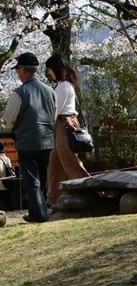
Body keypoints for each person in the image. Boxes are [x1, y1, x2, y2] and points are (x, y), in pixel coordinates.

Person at [2, 52, 56, 222]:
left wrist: (16, 128)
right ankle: (35, 212)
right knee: (42, 179)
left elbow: (9, 119)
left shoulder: (20, 92)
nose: (17, 73)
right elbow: (53, 115)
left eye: (18, 69)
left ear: (24, 70)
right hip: (47, 140)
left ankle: (41, 215)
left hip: (27, 141)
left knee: (32, 181)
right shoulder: (50, 91)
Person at [44, 54, 91, 206]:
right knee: (54, 162)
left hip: (64, 124)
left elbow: (55, 110)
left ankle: (92, 190)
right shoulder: (65, 85)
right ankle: (53, 197)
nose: (49, 73)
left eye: (50, 69)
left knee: (71, 162)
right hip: (64, 123)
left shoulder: (63, 86)